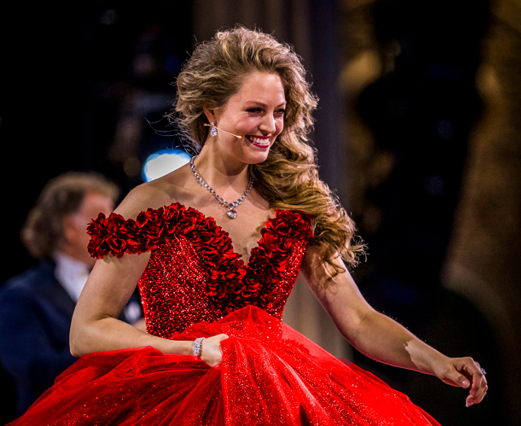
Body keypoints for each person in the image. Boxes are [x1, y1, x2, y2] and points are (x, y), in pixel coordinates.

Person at [9, 27, 487, 425]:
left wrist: (434, 359)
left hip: (277, 395)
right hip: (173, 397)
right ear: (211, 112)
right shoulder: (152, 201)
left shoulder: (294, 203)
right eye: (255, 110)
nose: (271, 126)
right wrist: (187, 349)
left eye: (279, 112)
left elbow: (359, 320)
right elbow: (87, 331)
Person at [0, 173, 144, 418]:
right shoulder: (20, 295)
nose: (115, 225)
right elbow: (36, 371)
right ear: (68, 229)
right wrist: (120, 343)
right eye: (104, 216)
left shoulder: (121, 286)